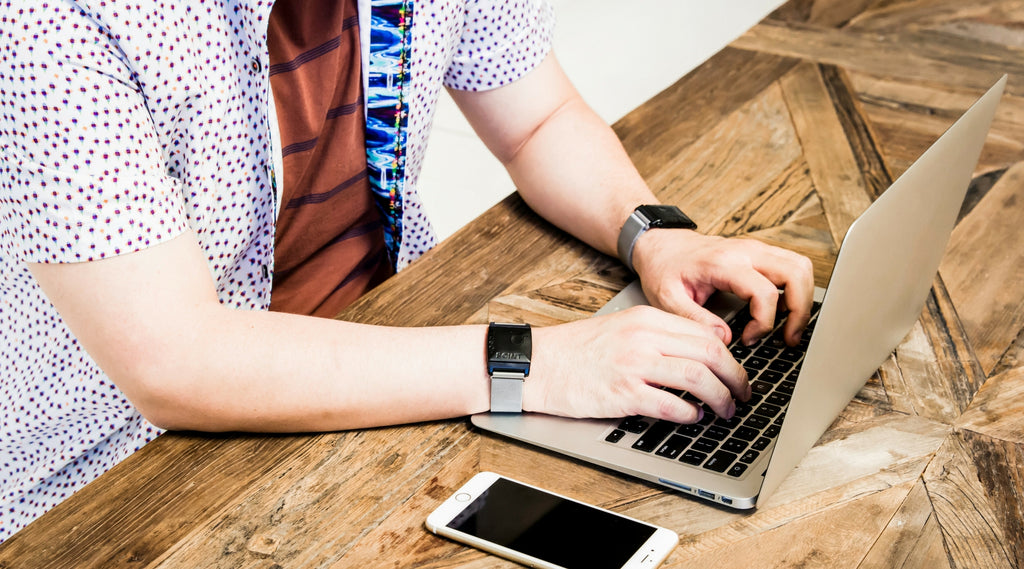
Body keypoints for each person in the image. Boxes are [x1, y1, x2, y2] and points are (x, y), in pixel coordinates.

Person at [0, 0, 813, 542]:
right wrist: (536, 363)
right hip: (126, 479)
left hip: (404, 366)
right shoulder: (52, 19)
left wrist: (655, 236)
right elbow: (175, 363)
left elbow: (537, 119)